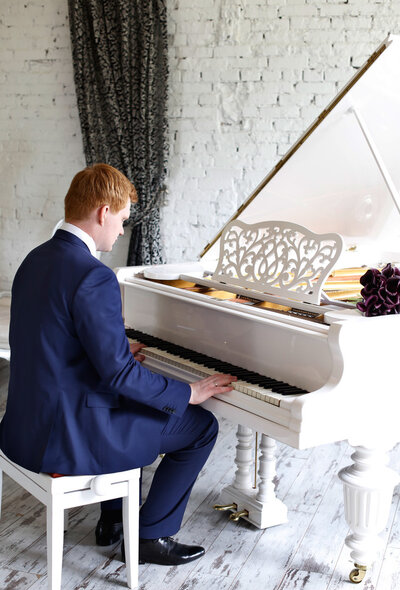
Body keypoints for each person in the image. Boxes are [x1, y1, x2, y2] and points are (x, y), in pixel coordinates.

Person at [0, 163, 236, 566]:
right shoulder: (93, 275)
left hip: (25, 423)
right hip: (69, 435)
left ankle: (112, 519)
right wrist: (189, 391)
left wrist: (113, 346)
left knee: (131, 402)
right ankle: (149, 536)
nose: (122, 231)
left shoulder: (35, 259)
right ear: (103, 212)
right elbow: (120, 375)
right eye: (123, 220)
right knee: (200, 427)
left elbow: (50, 337)